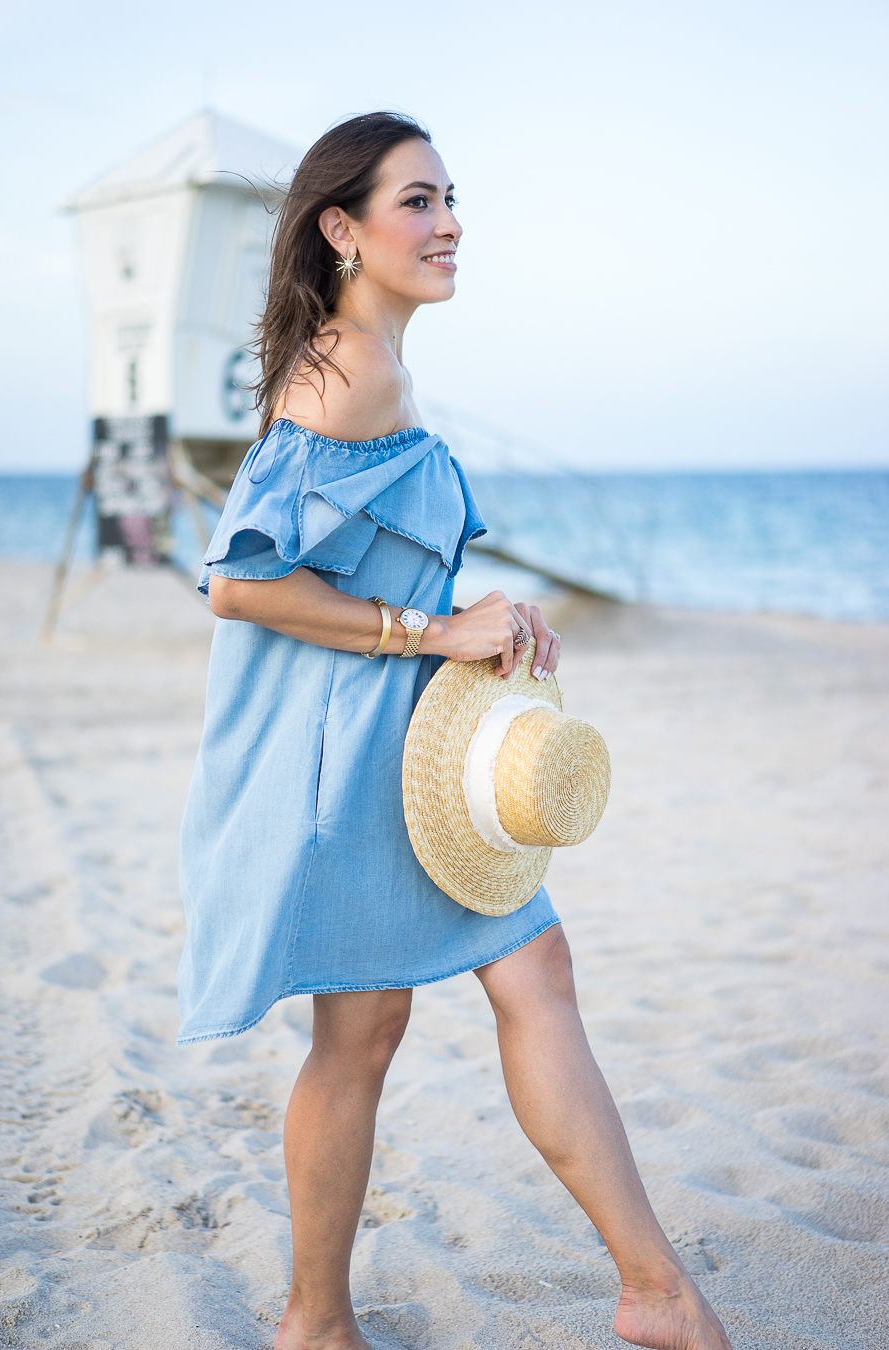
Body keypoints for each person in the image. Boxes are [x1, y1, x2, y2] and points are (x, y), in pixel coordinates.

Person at [178, 112, 733, 1350]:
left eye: (450, 199)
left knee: (414, 1013)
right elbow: (237, 581)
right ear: (342, 227)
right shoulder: (348, 370)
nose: (448, 224)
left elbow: (367, 553)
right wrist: (432, 635)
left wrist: (483, 616)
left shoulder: (368, 359)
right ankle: (637, 1296)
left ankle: (346, 1320)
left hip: (394, 746)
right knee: (402, 1017)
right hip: (352, 757)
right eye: (417, 201)